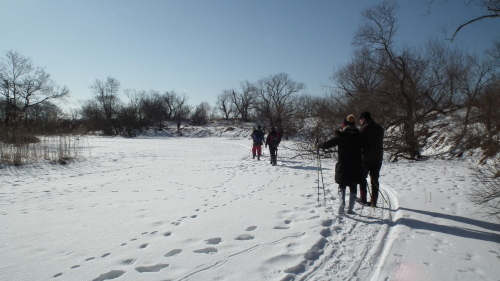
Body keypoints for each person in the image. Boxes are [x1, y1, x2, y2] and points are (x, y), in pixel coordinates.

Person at [317, 114, 369, 214]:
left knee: (342, 184)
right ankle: (350, 209)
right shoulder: (359, 136)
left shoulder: (340, 136)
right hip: (356, 164)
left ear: (344, 124)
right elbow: (367, 147)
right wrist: (361, 152)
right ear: (354, 124)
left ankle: (342, 204)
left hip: (343, 164)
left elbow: (327, 145)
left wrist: (319, 145)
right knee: (353, 185)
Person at [357, 111, 384, 207]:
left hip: (365, 158)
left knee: (362, 178)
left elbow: (359, 143)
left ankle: (363, 199)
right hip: (378, 158)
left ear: (363, 119)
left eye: (360, 120)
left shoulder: (364, 128)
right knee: (375, 180)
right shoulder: (380, 128)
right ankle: (374, 201)